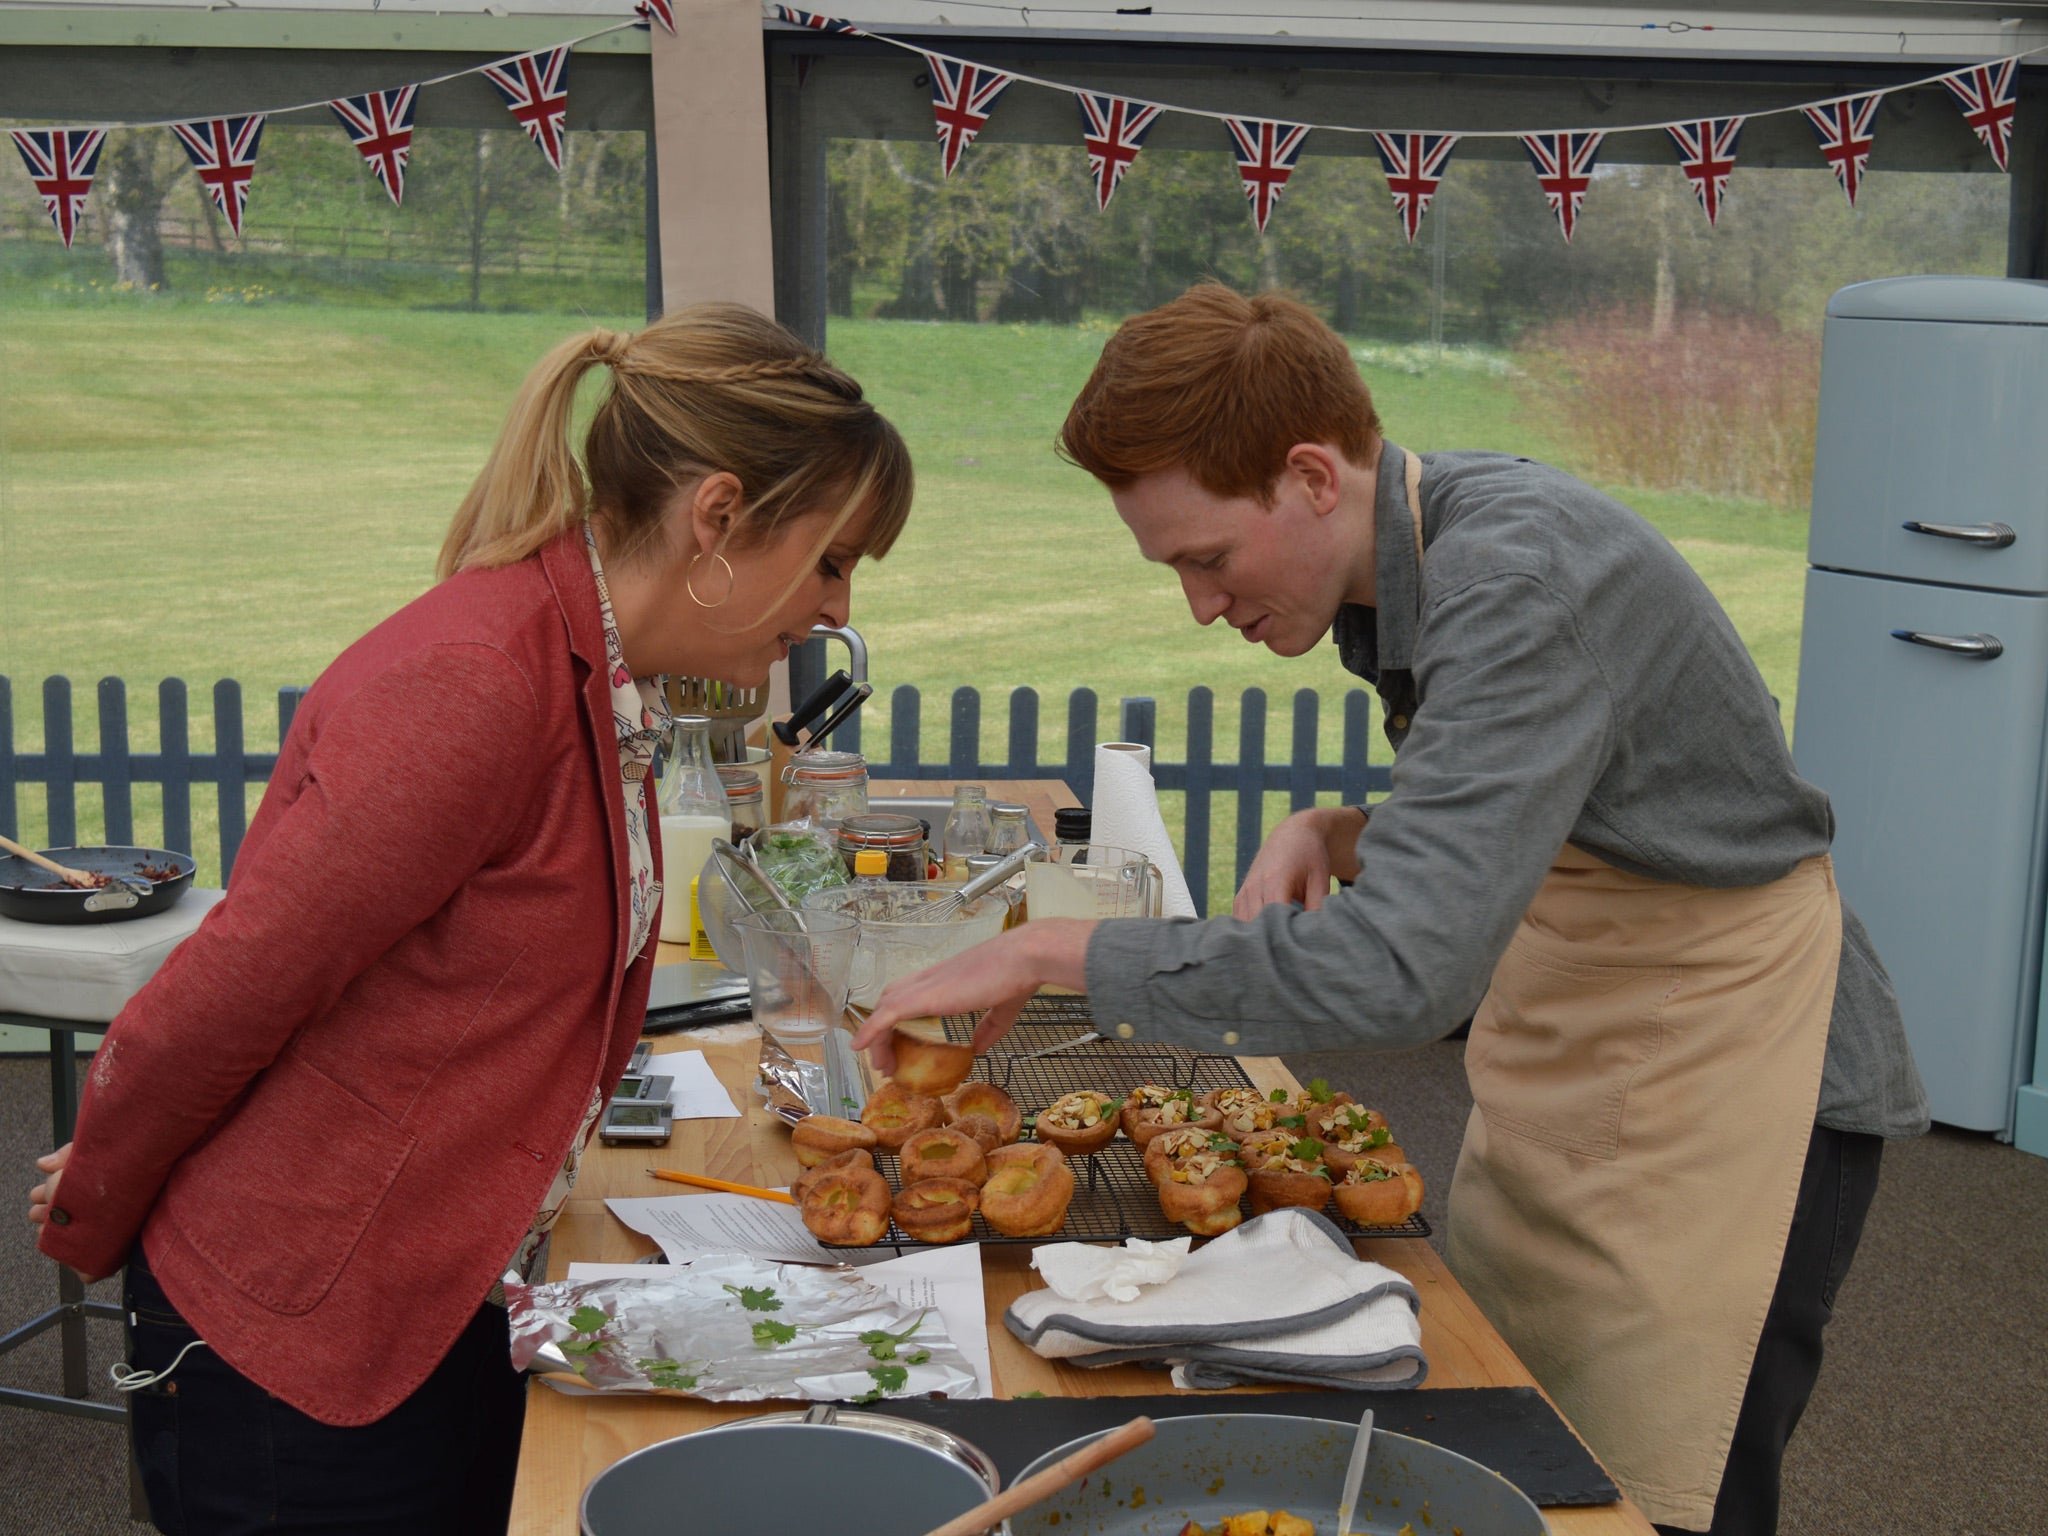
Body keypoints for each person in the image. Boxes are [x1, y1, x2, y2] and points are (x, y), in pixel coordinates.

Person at [855, 285, 1927, 1535]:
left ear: (1311, 474)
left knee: (1657, 1503)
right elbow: (1583, 798)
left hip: (1737, 1091)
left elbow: (1403, 973)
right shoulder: (1418, 553)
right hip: (1603, 1070)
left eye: (1206, 557)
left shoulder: (1516, 578)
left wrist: (1059, 949)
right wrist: (1346, 829)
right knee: (1516, 1443)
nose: (1198, 606)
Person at [29, 303, 911, 1535]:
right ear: (716, 519)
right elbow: (230, 990)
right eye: (830, 558)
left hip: (441, 1288)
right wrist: (100, 1200)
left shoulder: (585, 665)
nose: (834, 605)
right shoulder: (478, 682)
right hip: (311, 1335)